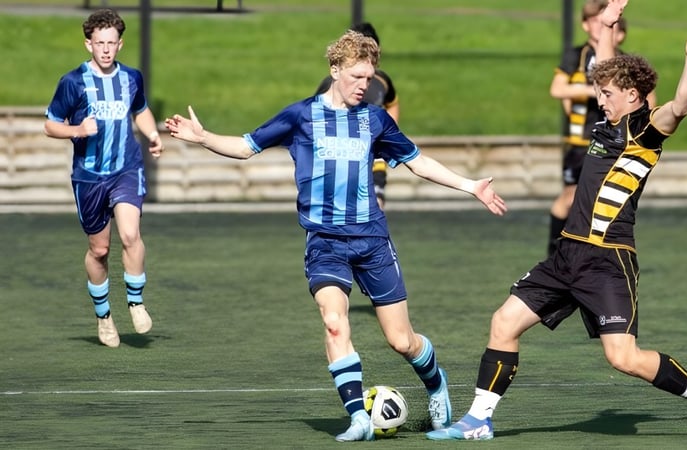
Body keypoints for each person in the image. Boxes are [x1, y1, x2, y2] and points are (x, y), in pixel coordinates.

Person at [165, 30, 507, 441]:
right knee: (333, 323)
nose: (366, 86)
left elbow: (418, 162)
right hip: (324, 241)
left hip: (371, 241)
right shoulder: (301, 116)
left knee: (401, 340)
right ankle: (358, 417)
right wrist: (202, 138)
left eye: (370, 78)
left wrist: (471, 186)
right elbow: (246, 146)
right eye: (357, 77)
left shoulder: (375, 119)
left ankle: (435, 383)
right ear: (334, 71)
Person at [428, 0, 687, 441]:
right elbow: (607, 68)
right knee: (503, 322)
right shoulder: (607, 127)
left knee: (623, 358)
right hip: (567, 252)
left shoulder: (645, 132)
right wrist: (607, 22)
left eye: (607, 95)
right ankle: (478, 420)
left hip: (608, 260)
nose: (599, 100)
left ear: (632, 96)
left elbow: (680, 107)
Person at [44, 8, 162, 348]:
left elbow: (140, 110)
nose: (106, 49)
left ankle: (136, 301)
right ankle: (103, 315)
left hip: (126, 167)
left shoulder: (132, 78)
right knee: (99, 250)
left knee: (130, 233)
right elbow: (50, 124)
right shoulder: (72, 82)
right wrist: (77, 129)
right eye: (100, 43)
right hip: (89, 176)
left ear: (120, 44)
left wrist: (152, 135)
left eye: (112, 43)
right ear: (88, 44)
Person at [547, 0, 653, 257]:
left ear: (621, 31)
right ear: (585, 25)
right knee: (570, 196)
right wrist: (593, 91)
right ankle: (555, 252)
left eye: (608, 22)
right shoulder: (576, 56)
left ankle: (595, 251)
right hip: (580, 140)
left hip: (614, 142)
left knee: (607, 198)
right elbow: (557, 89)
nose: (601, 27)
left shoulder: (626, 62)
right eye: (595, 21)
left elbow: (649, 99)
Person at [314, 22, 398, 210]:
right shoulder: (328, 88)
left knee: (375, 206)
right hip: (339, 163)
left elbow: (393, 103)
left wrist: (390, 134)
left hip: (373, 159)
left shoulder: (382, 81)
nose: (364, 84)